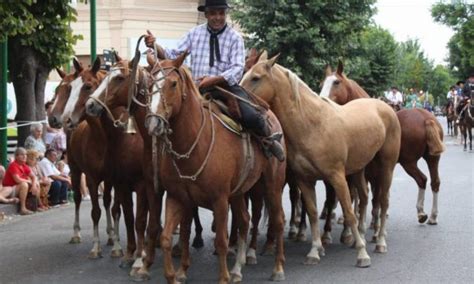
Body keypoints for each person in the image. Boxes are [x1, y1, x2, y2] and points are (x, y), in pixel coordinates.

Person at [144, 0, 285, 161]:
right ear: (206, 14)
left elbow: (237, 69)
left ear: (225, 14)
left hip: (225, 88)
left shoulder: (235, 38)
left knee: (251, 115)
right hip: (195, 89)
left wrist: (213, 80)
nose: (217, 17)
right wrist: (154, 44)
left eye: (221, 13)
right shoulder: (194, 33)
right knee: (168, 112)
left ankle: (268, 141)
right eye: (213, 13)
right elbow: (172, 54)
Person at [1, 148, 38, 215]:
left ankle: (38, 205)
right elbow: (17, 180)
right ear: (16, 156)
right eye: (22, 155)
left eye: (25, 155)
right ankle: (23, 208)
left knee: (36, 183)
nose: (24, 156)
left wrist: (34, 185)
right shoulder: (13, 165)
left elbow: (33, 176)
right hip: (10, 188)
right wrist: (29, 181)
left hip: (16, 188)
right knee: (24, 184)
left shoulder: (24, 165)